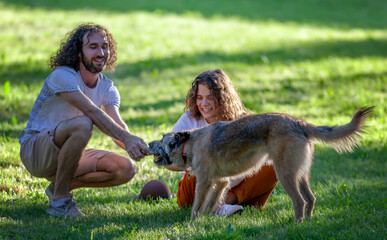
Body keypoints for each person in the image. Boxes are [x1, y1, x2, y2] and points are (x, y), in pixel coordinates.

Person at [19, 23, 150, 217]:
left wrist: (143, 148)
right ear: (79, 53)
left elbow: (119, 127)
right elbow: (91, 111)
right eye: (93, 47)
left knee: (126, 169)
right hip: (36, 151)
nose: (101, 52)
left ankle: (59, 188)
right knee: (84, 123)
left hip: (68, 154)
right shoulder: (63, 76)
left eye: (105, 46)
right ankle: (60, 203)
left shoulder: (108, 88)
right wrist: (126, 138)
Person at [168, 69, 278, 216]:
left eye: (210, 97)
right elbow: (168, 157)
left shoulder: (240, 121)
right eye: (199, 97)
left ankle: (224, 203)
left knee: (273, 160)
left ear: (222, 98)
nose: (204, 103)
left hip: (234, 184)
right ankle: (219, 205)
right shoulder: (189, 119)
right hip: (193, 190)